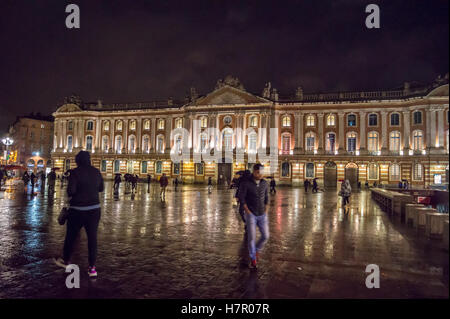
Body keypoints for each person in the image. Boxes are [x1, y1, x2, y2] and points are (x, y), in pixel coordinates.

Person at [54, 151, 104, 278]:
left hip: (78, 210)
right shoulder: (96, 172)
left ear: (78, 161)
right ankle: (92, 268)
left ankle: (66, 260)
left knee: (71, 236)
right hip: (94, 210)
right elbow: (101, 188)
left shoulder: (75, 172)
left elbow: (71, 191)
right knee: (92, 239)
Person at [238, 163, 270, 269]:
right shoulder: (246, 183)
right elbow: (241, 199)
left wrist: (266, 210)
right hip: (251, 214)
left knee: (265, 236)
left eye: (262, 172)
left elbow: (267, 197)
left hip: (262, 214)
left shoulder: (264, 183)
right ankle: (253, 258)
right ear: (254, 172)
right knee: (251, 238)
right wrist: (247, 211)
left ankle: (257, 250)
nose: (260, 174)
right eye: (258, 172)